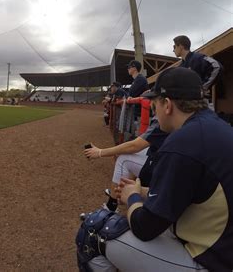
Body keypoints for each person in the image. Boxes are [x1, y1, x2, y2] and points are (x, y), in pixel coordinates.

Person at [85, 67, 233, 272]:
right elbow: (194, 194)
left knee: (92, 232)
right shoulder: (217, 126)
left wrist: (132, 198)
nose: (153, 109)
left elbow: (144, 228)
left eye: (154, 103)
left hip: (210, 261)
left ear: (168, 105)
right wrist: (143, 192)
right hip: (222, 244)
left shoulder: (180, 143)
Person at [84, 117, 168, 212]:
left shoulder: (165, 118)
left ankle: (111, 207)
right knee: (126, 152)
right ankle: (123, 193)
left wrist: (100, 152)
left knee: (123, 159)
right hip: (165, 158)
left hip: (166, 166)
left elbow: (135, 146)